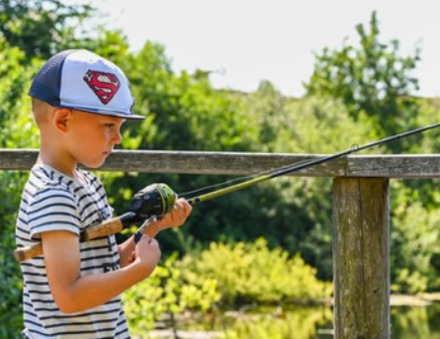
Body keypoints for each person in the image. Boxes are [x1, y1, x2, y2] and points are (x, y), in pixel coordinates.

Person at [15, 49, 192, 338]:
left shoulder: (87, 183)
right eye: (109, 125)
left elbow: (103, 265)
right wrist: (140, 270)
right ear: (62, 120)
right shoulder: (52, 194)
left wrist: (150, 229)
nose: (119, 138)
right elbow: (69, 296)